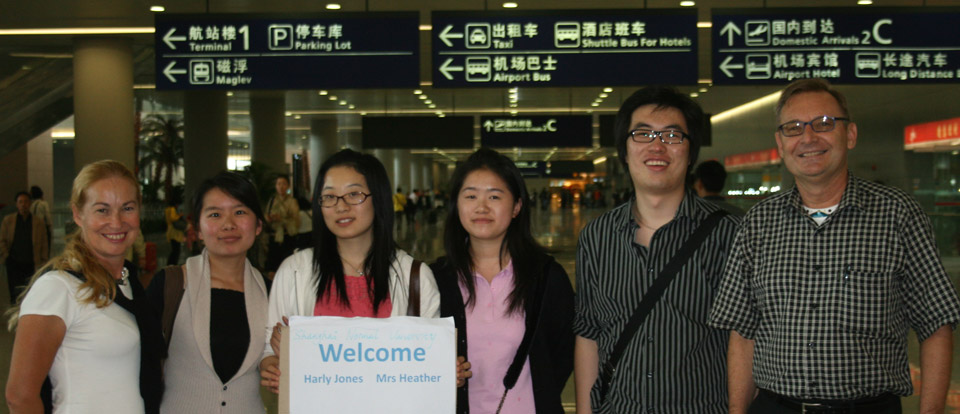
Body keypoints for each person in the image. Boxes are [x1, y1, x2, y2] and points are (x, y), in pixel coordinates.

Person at [710, 78, 960, 414]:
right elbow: (743, 332)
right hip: (776, 406)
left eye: (824, 124)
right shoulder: (759, 223)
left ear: (850, 134)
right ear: (781, 144)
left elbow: (936, 324)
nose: (808, 138)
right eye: (793, 128)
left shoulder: (897, 215)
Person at [573, 86, 740, 413]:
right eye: (643, 134)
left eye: (673, 136)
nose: (657, 146)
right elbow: (588, 335)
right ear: (624, 150)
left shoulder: (730, 235)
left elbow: (744, 339)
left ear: (691, 153)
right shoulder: (597, 236)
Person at [259, 149, 441, 392]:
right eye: (329, 197)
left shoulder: (414, 276)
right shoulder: (294, 272)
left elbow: (430, 361)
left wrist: (444, 371)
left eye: (354, 194)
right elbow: (271, 349)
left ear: (379, 198)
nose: (341, 206)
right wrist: (272, 366)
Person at [5, 160, 163, 413]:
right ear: (78, 214)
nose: (117, 221)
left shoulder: (128, 283)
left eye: (127, 208)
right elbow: (20, 396)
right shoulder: (58, 288)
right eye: (102, 210)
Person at [431, 148, 574, 414]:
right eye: (471, 195)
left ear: (517, 206)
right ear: (457, 204)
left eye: (494, 196)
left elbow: (564, 353)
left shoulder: (546, 277)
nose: (481, 207)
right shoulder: (435, 279)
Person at [147, 171, 269, 413]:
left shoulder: (271, 292)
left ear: (258, 226)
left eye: (240, 212)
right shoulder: (171, 284)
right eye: (215, 214)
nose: (228, 224)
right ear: (198, 230)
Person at [1, 191, 49, 303]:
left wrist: (44, 260)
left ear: (30, 203)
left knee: (30, 291)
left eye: (26, 202)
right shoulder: (8, 221)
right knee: (14, 292)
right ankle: (15, 316)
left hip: (31, 263)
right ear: (16, 204)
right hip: (13, 263)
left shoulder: (38, 222)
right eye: (20, 202)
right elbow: (2, 240)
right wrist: (6, 255)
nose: (23, 204)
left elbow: (44, 243)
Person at [264, 174, 299, 274]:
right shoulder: (272, 201)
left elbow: (296, 220)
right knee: (272, 268)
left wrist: (282, 219)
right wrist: (269, 218)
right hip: (274, 237)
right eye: (279, 184)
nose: (281, 186)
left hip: (287, 238)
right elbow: (266, 215)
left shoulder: (292, 201)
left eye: (284, 184)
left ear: (288, 186)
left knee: (287, 268)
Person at [165, 192, 185, 266]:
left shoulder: (167, 209)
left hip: (170, 230)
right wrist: (179, 215)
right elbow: (173, 218)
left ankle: (170, 263)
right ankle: (172, 263)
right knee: (176, 250)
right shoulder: (172, 209)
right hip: (174, 232)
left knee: (174, 249)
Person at [29, 186, 52, 251]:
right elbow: (48, 217)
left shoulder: (31, 205)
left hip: (33, 227)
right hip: (43, 227)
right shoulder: (43, 203)